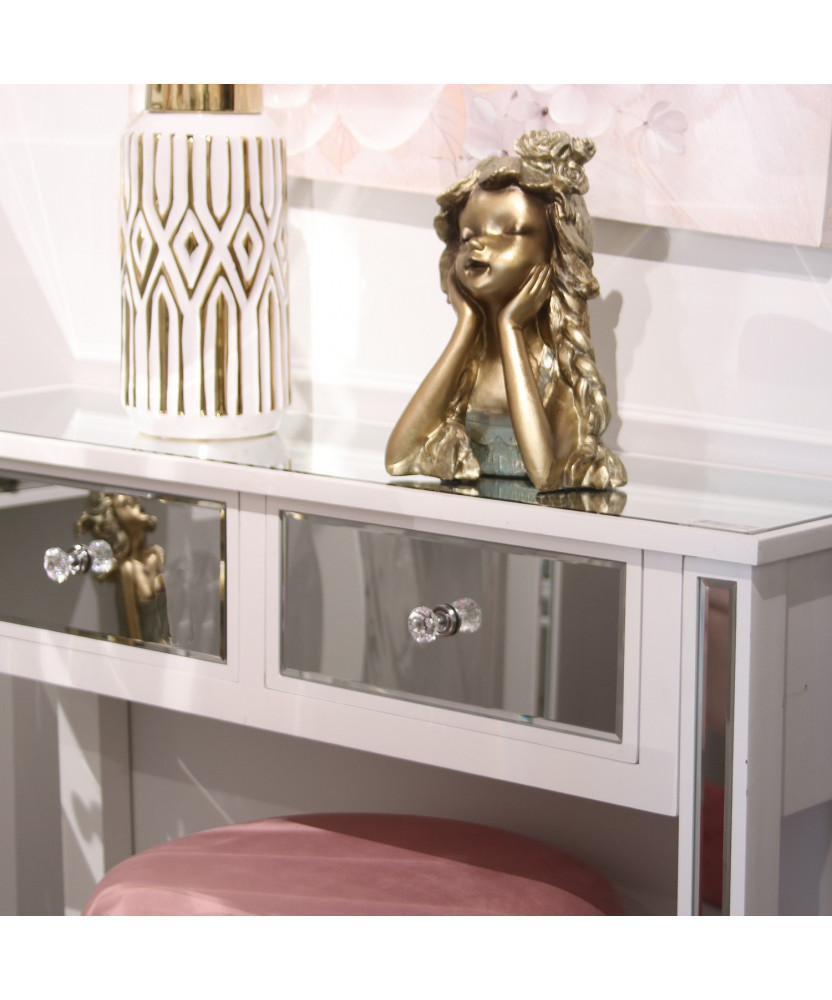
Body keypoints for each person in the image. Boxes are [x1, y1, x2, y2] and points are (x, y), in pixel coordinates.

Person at [385, 130, 626, 493]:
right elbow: (397, 457)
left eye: (509, 231)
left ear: (555, 249)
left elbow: (545, 474)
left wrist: (510, 327)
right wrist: (467, 323)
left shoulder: (558, 363)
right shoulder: (469, 358)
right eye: (468, 234)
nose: (479, 244)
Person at [75, 492, 171, 644]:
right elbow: (132, 631)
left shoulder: (156, 555)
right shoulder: (128, 569)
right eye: (126, 503)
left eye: (134, 500)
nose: (136, 503)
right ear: (115, 518)